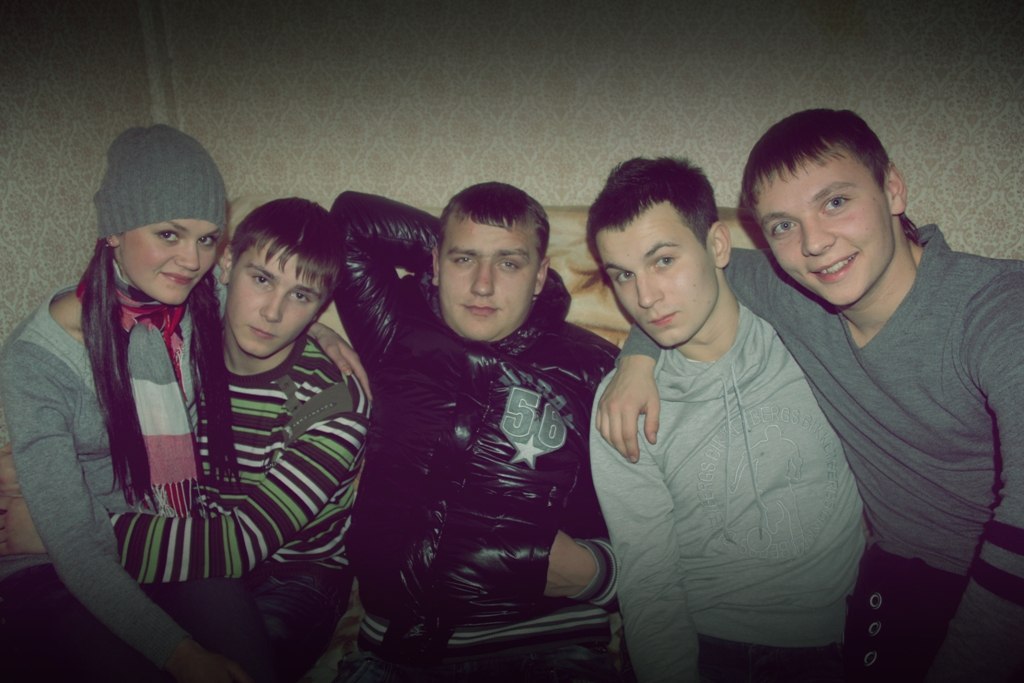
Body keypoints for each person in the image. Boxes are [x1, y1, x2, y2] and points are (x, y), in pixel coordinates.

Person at [598, 109, 1024, 681]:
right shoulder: (798, 293)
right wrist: (636, 358)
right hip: (894, 584)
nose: (815, 243)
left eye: (835, 202)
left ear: (892, 188)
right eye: (782, 226)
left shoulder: (998, 309)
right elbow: (674, 287)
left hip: (995, 585)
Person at [1, 197, 371, 682]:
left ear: (320, 303)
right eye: (262, 279)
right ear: (227, 265)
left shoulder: (335, 403)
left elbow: (242, 542)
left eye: (301, 296)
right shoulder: (184, 340)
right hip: (189, 542)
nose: (273, 312)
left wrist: (68, 533)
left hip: (293, 575)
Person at [0, 124, 264, 682]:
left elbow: (273, 307)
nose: (191, 260)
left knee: (251, 660)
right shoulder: (38, 359)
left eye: (207, 239)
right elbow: (74, 542)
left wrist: (326, 336)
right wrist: (182, 656)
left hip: (159, 534)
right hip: (59, 565)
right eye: (169, 234)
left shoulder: (197, 303)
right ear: (114, 231)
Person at [328, 183, 623, 681]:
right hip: (392, 657)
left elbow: (671, 533)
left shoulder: (597, 369)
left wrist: (595, 571)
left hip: (548, 649)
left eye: (509, 263)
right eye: (464, 260)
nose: (483, 286)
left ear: (540, 275)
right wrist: (311, 328)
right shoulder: (393, 331)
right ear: (435, 263)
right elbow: (349, 221)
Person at [585, 157, 863, 682]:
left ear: (717, 246)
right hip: (705, 647)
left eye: (664, 260)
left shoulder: (812, 336)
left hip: (839, 645)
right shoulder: (624, 404)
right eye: (624, 274)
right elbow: (649, 580)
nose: (644, 298)